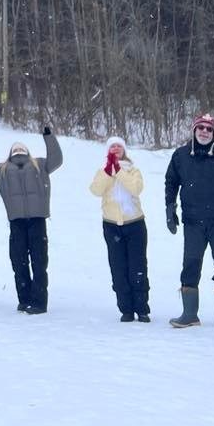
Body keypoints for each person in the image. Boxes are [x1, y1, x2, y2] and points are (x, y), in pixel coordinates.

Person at [163, 113, 214, 328]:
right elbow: (171, 182)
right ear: (193, 130)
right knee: (190, 264)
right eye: (201, 128)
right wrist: (170, 208)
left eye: (209, 129)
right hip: (192, 221)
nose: (204, 132)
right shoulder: (180, 156)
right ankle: (190, 314)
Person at [0, 127, 63, 314]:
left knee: (36, 262)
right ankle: (25, 300)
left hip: (37, 220)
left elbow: (56, 159)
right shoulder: (3, 169)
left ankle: (38, 302)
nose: (19, 153)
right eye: (17, 150)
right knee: (20, 261)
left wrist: (49, 137)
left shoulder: (39, 164)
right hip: (17, 222)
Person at [89, 136, 150, 322]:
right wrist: (109, 171)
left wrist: (119, 171)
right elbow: (96, 190)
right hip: (112, 225)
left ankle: (142, 308)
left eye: (119, 146)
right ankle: (126, 309)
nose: (116, 148)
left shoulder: (133, 170)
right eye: (112, 146)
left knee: (137, 268)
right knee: (118, 268)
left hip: (135, 224)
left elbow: (135, 189)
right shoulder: (103, 171)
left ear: (124, 150)